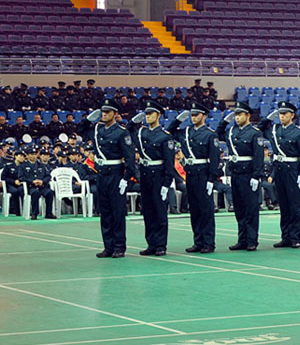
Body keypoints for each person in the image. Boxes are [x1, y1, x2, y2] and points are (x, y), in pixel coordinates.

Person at [78, 99, 136, 258]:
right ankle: (108, 246)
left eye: (107, 112)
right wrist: (88, 120)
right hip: (102, 174)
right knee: (105, 212)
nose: (104, 114)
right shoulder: (97, 129)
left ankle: (119, 247)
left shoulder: (122, 132)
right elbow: (81, 131)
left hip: (116, 175)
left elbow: (130, 158)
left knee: (117, 212)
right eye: (103, 112)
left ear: (115, 114)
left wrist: (126, 178)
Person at [168, 101, 220, 253]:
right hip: (190, 173)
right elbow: (169, 132)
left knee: (206, 210)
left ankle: (208, 242)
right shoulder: (185, 132)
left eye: (197, 115)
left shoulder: (210, 134)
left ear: (204, 116)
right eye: (192, 115)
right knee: (195, 209)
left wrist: (211, 178)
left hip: (203, 173)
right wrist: (178, 120)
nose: (194, 117)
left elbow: (215, 159)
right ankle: (198, 241)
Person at [258, 101, 300, 249]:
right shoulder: (275, 130)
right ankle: (285, 236)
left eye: (284, 114)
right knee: (284, 206)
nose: (281, 116)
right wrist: (268, 119)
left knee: (294, 206)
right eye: (280, 114)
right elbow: (259, 130)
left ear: (292, 115)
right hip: (279, 170)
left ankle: (295, 237)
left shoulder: (298, 132)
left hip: (292, 170)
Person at [216, 101, 265, 251]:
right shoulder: (232, 131)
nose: (237, 118)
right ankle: (242, 239)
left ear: (248, 115)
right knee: (239, 209)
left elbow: (258, 156)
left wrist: (256, 176)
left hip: (248, 174)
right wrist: (224, 121)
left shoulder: (255, 133)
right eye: (236, 115)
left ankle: (252, 240)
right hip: (236, 174)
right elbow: (217, 134)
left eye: (240, 115)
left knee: (251, 209)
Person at [128, 101, 175, 257]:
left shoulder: (165, 136)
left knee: (159, 211)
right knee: (147, 211)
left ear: (158, 115)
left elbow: (169, 163)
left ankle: (160, 245)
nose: (147, 116)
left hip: (158, 176)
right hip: (145, 175)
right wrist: (133, 121)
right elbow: (127, 132)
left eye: (151, 114)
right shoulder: (141, 133)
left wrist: (167, 183)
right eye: (146, 114)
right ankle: (151, 244)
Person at [19, 145, 56, 220]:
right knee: (35, 193)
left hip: (41, 186)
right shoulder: (22, 166)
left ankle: (48, 213)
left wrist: (42, 181)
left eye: (35, 154)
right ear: (27, 155)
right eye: (31, 154)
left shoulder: (41, 165)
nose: (33, 156)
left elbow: (48, 176)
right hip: (30, 187)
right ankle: (34, 213)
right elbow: (21, 178)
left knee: (50, 192)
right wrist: (32, 181)